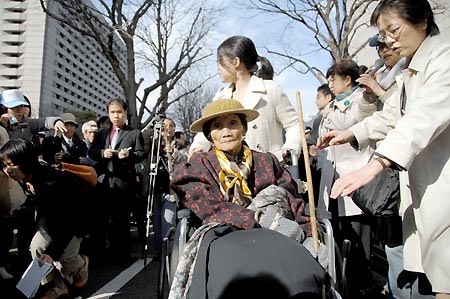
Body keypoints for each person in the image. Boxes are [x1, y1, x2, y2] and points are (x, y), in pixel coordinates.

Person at [318, 0, 450, 297]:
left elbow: (421, 120)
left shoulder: (444, 59)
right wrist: (350, 132)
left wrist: (375, 164)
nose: (388, 40)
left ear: (423, 21)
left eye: (393, 30)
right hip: (425, 186)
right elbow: (391, 114)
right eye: (383, 34)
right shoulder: (410, 71)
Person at [169, 99, 328, 299]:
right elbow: (208, 207)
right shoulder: (197, 165)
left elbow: (293, 202)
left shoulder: (267, 161)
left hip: (278, 233)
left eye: (233, 123)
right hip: (223, 235)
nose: (226, 131)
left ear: (244, 129)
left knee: (301, 272)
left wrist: (309, 236)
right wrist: (260, 218)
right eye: (218, 126)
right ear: (210, 135)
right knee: (236, 276)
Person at [0, 139, 90, 299]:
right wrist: (24, 208)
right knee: (37, 248)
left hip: (75, 219)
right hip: (52, 219)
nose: (8, 171)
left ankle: (81, 264)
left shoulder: (50, 181)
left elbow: (66, 220)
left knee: (65, 257)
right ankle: (59, 286)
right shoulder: (26, 177)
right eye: (4, 165)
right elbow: (36, 199)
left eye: (11, 164)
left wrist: (52, 253)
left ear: (25, 161)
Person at [318, 59, 378, 297]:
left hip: (355, 176)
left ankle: (363, 289)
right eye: (329, 79)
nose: (330, 83)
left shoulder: (362, 101)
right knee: (339, 239)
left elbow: (355, 124)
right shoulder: (331, 106)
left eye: (334, 78)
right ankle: (345, 288)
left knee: (360, 242)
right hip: (332, 179)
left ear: (348, 79)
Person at [189, 36, 301, 161]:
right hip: (231, 174)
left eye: (220, 61)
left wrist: (291, 147)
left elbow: (294, 125)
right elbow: (208, 130)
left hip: (271, 171)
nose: (218, 67)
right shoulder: (220, 97)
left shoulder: (270, 90)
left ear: (236, 62)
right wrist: (198, 147)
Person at [88, 98, 145, 263]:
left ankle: (121, 256)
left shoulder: (134, 133)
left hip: (124, 183)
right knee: (100, 220)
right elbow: (92, 152)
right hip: (103, 182)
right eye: (112, 112)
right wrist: (102, 153)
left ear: (126, 113)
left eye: (119, 112)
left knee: (122, 221)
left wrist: (128, 155)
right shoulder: (101, 133)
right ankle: (98, 255)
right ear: (108, 113)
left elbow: (140, 154)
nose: (116, 116)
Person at [142, 117, 188, 254]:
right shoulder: (153, 143)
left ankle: (167, 251)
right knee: (155, 221)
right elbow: (142, 140)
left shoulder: (179, 144)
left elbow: (185, 160)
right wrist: (151, 128)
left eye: (170, 126)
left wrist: (172, 152)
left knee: (168, 220)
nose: (167, 129)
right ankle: (158, 250)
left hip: (170, 189)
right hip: (154, 187)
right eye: (164, 126)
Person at [0, 89, 67, 140]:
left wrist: (56, 122)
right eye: (14, 107)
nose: (19, 110)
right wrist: (4, 126)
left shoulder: (28, 123)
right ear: (4, 108)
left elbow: (44, 121)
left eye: (22, 106)